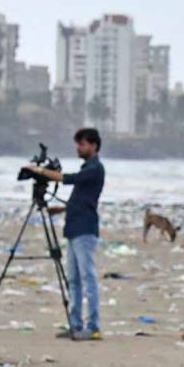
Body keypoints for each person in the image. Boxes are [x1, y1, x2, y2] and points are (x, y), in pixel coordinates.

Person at [24, 127, 105, 340]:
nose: (79, 148)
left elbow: (67, 178)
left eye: (82, 144)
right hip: (74, 228)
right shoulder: (88, 168)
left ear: (93, 146)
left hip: (85, 230)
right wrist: (60, 209)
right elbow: (81, 199)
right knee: (74, 280)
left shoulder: (95, 169)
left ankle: (94, 326)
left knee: (88, 278)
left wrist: (40, 171)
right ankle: (76, 324)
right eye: (78, 144)